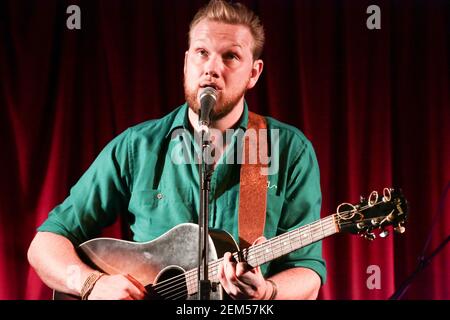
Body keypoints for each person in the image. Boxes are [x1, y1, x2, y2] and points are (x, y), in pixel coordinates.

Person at [28, 0, 326, 300]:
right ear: (186, 62)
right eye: (202, 53)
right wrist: (91, 283)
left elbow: (308, 271)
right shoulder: (138, 147)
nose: (211, 68)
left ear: (253, 73)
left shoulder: (289, 150)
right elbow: (45, 244)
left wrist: (267, 293)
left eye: (231, 56)